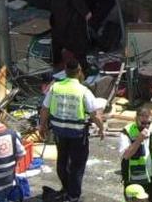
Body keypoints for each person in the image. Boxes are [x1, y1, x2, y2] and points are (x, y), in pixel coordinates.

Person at [39, 60, 105, 202]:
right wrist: (101, 128)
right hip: (77, 134)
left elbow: (44, 108)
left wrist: (41, 126)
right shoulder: (83, 91)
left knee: (62, 160)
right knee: (77, 165)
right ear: (79, 71)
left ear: (65, 71)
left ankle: (66, 188)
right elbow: (94, 114)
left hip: (59, 132)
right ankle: (72, 196)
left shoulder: (55, 87)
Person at [119, 104, 152, 202]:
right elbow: (126, 155)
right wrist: (138, 140)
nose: (146, 126)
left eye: (148, 123)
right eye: (143, 123)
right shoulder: (127, 132)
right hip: (134, 178)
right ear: (136, 119)